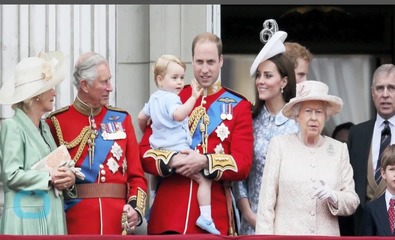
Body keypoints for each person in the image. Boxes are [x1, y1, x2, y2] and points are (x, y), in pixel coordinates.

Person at [140, 32, 253, 235]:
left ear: (221, 61)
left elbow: (243, 163)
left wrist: (204, 161)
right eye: (199, 62)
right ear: (192, 61)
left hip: (213, 217)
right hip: (169, 214)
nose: (205, 69)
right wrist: (173, 161)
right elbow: (145, 152)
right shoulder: (172, 97)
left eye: (211, 62)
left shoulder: (238, 106)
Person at [46, 51, 148, 235]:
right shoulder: (56, 123)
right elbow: (47, 175)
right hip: (76, 223)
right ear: (84, 85)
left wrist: (135, 209)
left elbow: (137, 177)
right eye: (104, 82)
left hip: (117, 224)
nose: (110, 87)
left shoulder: (122, 119)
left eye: (109, 80)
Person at [256, 80, 360, 236]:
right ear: (297, 115)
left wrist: (334, 196)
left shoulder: (339, 150)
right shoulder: (280, 146)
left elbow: (353, 201)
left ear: (326, 116)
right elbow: (266, 205)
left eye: (319, 112)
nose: (313, 118)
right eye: (308, 111)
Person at [137, 55, 220, 234]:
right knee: (203, 180)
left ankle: (152, 203)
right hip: (176, 149)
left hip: (158, 148)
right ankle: (206, 217)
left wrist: (148, 132)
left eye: (182, 78)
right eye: (174, 78)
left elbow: (141, 117)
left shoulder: (154, 98)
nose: (179, 82)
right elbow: (179, 115)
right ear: (160, 79)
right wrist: (193, 98)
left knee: (154, 176)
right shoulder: (173, 98)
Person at [0, 51, 76, 234]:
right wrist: (50, 177)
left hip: (52, 217)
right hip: (25, 220)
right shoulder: (12, 126)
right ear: (36, 95)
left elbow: (56, 165)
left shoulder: (45, 127)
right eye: (50, 88)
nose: (54, 93)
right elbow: (11, 176)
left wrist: (68, 178)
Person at [347, 63, 395, 236]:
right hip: (363, 231)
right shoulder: (357, 134)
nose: (385, 95)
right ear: (372, 92)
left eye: (391, 88)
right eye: (380, 88)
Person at [232, 29, 299, 235]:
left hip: (289, 224)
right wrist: (248, 213)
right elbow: (239, 174)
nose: (260, 81)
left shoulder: (298, 124)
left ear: (284, 82)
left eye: (268, 76)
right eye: (259, 75)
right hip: (251, 223)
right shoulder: (248, 121)